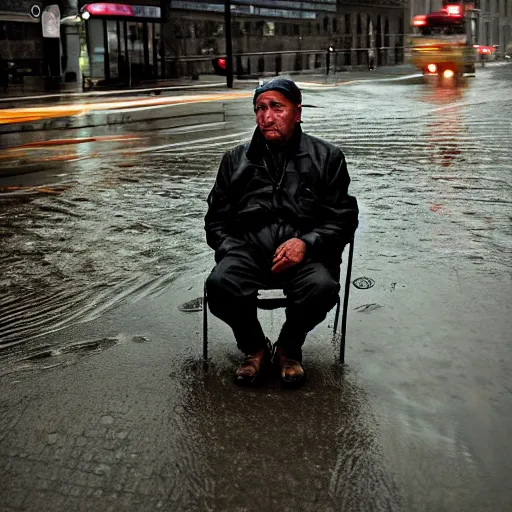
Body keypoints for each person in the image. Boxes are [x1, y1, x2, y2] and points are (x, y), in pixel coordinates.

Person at [204, 77, 358, 387]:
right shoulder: (235, 159)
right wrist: (234, 250)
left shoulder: (327, 157)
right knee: (219, 285)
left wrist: (306, 243)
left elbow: (343, 218)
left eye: (277, 107)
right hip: (247, 253)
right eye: (260, 108)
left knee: (322, 287)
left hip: (307, 258)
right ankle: (255, 347)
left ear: (297, 112)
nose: (267, 117)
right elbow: (215, 221)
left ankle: (289, 346)